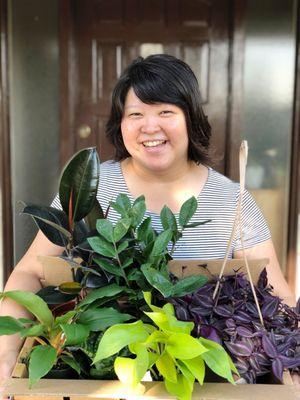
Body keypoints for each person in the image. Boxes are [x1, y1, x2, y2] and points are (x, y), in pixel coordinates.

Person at [0, 54, 298, 392]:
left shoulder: (232, 200)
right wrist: (7, 349)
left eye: (165, 112)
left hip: (208, 385)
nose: (150, 126)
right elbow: (29, 272)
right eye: (136, 114)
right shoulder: (90, 186)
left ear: (191, 119)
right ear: (121, 124)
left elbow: (280, 299)